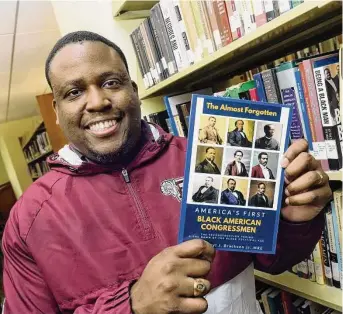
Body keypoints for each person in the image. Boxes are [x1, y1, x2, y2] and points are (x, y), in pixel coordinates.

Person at [2, 31, 332, 314]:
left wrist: (295, 220)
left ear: (133, 91)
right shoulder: (29, 220)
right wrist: (130, 306)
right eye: (74, 92)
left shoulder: (205, 160)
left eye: (111, 82)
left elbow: (272, 260)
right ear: (57, 112)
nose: (98, 101)